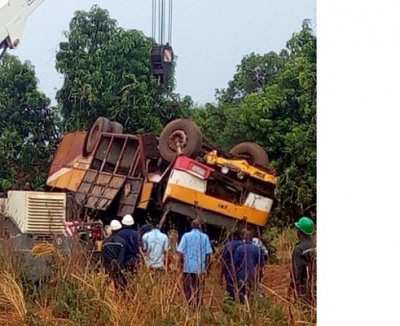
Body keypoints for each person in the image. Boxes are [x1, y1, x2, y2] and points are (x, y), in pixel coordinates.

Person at [177, 219, 213, 310]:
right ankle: (197, 305)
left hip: (188, 267)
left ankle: (189, 304)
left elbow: (180, 253)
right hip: (200, 267)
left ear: (191, 226)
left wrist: (182, 264)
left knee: (188, 287)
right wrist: (208, 268)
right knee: (199, 288)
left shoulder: (186, 236)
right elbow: (208, 255)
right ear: (200, 227)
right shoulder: (205, 237)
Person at [288, 216, 316, 306]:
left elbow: (296, 272)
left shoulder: (299, 249)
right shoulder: (315, 245)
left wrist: (291, 289)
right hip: (314, 286)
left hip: (304, 288)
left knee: (304, 308)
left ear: (300, 232)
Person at [233, 228, 265, 304]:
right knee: (252, 295)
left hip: (241, 275)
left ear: (243, 238)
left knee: (241, 296)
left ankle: (243, 309)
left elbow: (235, 265)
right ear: (251, 239)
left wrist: (235, 275)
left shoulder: (239, 249)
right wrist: (260, 277)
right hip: (252, 276)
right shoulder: (257, 249)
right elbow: (261, 266)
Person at [102, 220, 127, 291]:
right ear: (119, 229)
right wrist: (119, 266)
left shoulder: (105, 242)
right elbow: (121, 256)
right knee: (120, 285)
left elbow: (104, 255)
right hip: (118, 267)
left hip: (108, 266)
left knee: (108, 284)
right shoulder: (122, 241)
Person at [219, 230, 243, 301]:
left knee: (230, 288)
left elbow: (224, 261)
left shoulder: (228, 245)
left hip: (230, 269)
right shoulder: (243, 245)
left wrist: (221, 275)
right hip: (242, 269)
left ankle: (231, 303)